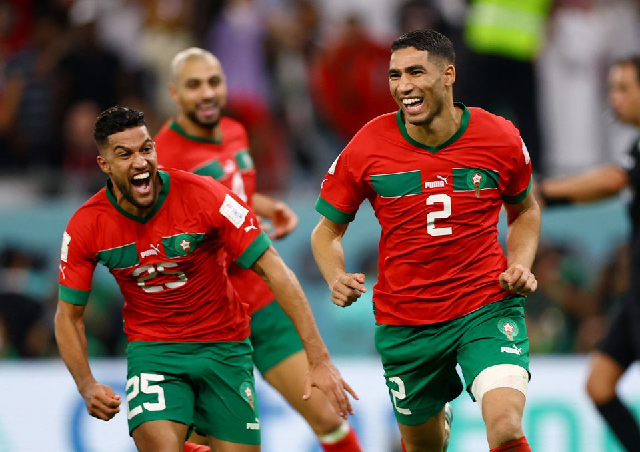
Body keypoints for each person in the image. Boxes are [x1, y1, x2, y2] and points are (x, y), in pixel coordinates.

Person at [54, 106, 357, 452]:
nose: (140, 162)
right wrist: (85, 383)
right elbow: (68, 315)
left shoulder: (204, 194)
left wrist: (319, 359)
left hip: (224, 346)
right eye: (124, 154)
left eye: (146, 149)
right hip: (155, 352)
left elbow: (274, 269)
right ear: (104, 164)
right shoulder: (86, 226)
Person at [311, 29, 541, 452]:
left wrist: (520, 262)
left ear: (448, 74)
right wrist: (334, 276)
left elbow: (525, 209)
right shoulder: (368, 145)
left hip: (484, 305)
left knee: (505, 426)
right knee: (424, 445)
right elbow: (326, 231)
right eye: (395, 75)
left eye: (416, 72)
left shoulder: (500, 137)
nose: (403, 86)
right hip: (407, 323)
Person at [154, 47, 364, 452]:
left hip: (261, 300)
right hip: (208, 319)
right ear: (175, 93)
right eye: (194, 85)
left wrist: (265, 206)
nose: (206, 92)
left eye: (213, 82)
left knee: (327, 413)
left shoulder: (234, 130)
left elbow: (231, 193)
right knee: (203, 441)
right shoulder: (165, 158)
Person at [536, 55, 640, 452]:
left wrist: (545, 193)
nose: (614, 98)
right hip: (634, 299)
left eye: (624, 89)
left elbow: (614, 180)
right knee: (599, 384)